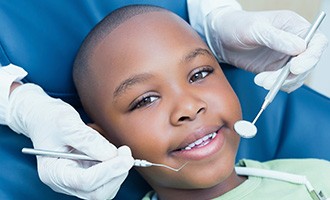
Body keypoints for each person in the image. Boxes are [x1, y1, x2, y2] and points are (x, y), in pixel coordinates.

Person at [0, 0, 328, 199]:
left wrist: (217, 16)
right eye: (145, 100)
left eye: (199, 74)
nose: (188, 107)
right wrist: (22, 105)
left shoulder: (317, 175)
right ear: (99, 140)